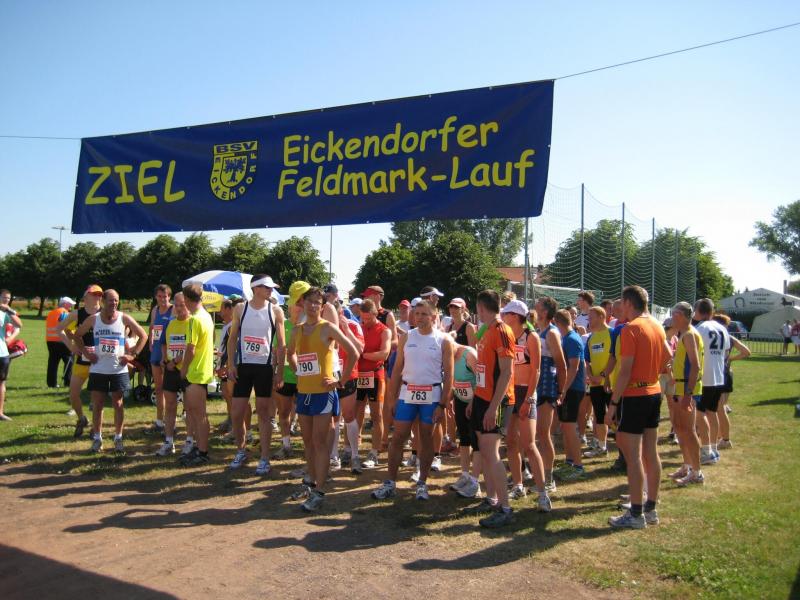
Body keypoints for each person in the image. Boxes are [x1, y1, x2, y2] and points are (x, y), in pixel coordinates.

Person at [371, 299, 453, 502]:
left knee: (426, 438)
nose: (419, 317)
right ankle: (390, 483)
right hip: (407, 393)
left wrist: (443, 404)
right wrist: (391, 399)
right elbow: (397, 369)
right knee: (398, 437)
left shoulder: (443, 340)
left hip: (431, 395)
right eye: (417, 314)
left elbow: (450, 375)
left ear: (434, 317)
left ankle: (422, 483)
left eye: (424, 314)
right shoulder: (407, 337)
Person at [287, 287, 359, 511]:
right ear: (303, 303)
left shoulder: (327, 327)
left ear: (322, 306)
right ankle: (311, 482)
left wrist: (340, 381)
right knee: (307, 441)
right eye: (309, 301)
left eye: (317, 303)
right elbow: (290, 353)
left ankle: (319, 491)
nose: (313, 306)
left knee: (319, 442)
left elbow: (353, 352)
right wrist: (298, 370)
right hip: (304, 392)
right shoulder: (297, 330)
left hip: (324, 393)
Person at [605, 286, 669, 529]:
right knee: (650, 452)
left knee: (632, 456)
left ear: (629, 303)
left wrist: (613, 403)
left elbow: (625, 370)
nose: (619, 307)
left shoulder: (631, 329)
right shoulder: (657, 325)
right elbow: (668, 356)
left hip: (635, 396)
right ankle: (650, 508)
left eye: (621, 303)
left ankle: (636, 513)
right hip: (653, 392)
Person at [73, 289, 147, 453]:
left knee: (118, 404)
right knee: (97, 405)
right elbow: (77, 336)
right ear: (103, 301)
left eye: (116, 300)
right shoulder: (94, 319)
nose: (114, 303)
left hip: (118, 369)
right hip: (98, 368)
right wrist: (86, 354)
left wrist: (132, 355)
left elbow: (143, 335)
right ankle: (97, 439)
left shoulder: (124, 318)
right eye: (111, 300)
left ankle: (118, 438)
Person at [227, 275, 285, 475]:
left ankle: (265, 457)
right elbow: (232, 338)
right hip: (244, 366)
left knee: (263, 412)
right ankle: (241, 450)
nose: (271, 291)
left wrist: (279, 371)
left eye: (271, 288)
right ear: (256, 288)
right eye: (267, 287)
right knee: (237, 412)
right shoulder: (240, 308)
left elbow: (281, 344)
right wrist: (231, 364)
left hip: (264, 367)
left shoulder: (275, 310)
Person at [469, 290, 516, 528]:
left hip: (496, 401)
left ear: (481, 307)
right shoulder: (486, 330)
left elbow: (506, 372)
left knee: (491, 452)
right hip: (482, 398)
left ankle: (505, 508)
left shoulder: (502, 331)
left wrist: (492, 407)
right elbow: (483, 368)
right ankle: (492, 498)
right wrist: (474, 400)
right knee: (485, 452)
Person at [501, 299, 551, 510]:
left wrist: (529, 399)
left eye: (506, 313)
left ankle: (543, 493)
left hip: (526, 392)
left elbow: (536, 370)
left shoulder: (531, 337)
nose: (503, 316)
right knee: (511, 442)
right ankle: (518, 484)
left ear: (515, 316)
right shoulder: (506, 336)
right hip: (510, 393)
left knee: (529, 444)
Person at [57, 285, 103, 437]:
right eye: (94, 294)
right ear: (85, 297)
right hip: (82, 360)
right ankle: (82, 419)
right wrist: (71, 347)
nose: (97, 297)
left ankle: (95, 428)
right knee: (73, 393)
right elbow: (60, 329)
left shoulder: (105, 313)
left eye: (99, 294)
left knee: (96, 398)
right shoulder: (77, 314)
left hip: (99, 361)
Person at [178, 283, 216, 466]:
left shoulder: (194, 319)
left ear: (186, 299)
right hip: (202, 370)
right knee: (195, 413)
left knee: (198, 414)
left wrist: (183, 369)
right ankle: (199, 447)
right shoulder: (206, 316)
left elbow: (191, 349)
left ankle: (202, 452)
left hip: (196, 372)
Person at [668, 302, 705, 486]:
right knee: (679, 428)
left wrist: (688, 394)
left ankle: (697, 473)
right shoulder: (684, 334)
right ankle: (687, 465)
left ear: (681, 315)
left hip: (687, 389)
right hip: (680, 387)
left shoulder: (689, 334)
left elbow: (695, 366)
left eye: (674, 314)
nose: (671, 318)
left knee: (689, 431)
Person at [533, 296, 567, 492]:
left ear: (545, 312)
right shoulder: (540, 331)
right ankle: (539, 474)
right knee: (537, 433)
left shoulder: (552, 333)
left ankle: (549, 479)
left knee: (544, 433)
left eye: (537, 307)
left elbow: (561, 365)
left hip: (547, 387)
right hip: (538, 385)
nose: (534, 309)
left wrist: (560, 391)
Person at [273, 282, 310, 461]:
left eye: (301, 304)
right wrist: (276, 373)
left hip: (305, 377)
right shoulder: (284, 325)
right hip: (286, 376)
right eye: (296, 304)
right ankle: (286, 445)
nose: (299, 308)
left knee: (305, 415)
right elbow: (276, 351)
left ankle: (308, 447)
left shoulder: (311, 326)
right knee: (284, 412)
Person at [354, 298, 391, 469]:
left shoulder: (384, 331)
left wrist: (363, 355)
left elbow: (384, 354)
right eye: (362, 318)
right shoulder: (359, 327)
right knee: (356, 412)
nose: (365, 321)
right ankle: (352, 448)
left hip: (375, 376)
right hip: (358, 375)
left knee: (377, 415)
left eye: (368, 318)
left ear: (375, 314)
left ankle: (374, 452)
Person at [693, 299, 730, 467]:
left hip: (705, 377)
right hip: (719, 376)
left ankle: (707, 450)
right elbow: (726, 353)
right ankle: (713, 448)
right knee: (712, 412)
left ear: (698, 311)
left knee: (700, 414)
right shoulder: (722, 328)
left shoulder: (700, 328)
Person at [553, 309, 588, 480]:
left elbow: (574, 367)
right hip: (569, 388)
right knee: (566, 427)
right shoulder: (567, 338)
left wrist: (564, 389)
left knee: (569, 427)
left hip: (572, 389)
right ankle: (569, 461)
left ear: (557, 322)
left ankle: (578, 466)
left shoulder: (572, 339)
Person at [155, 292, 190, 456]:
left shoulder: (193, 323)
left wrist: (175, 361)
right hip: (171, 370)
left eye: (182, 305)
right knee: (170, 405)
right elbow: (163, 343)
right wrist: (164, 358)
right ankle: (169, 442)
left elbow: (191, 348)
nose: (179, 308)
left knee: (189, 407)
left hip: (187, 370)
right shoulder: (171, 323)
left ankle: (189, 440)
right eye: (176, 305)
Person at [333, 299, 364, 472]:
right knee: (332, 418)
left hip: (348, 375)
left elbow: (359, 350)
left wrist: (346, 330)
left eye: (335, 312)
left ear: (341, 312)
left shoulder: (353, 325)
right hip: (329, 377)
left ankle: (354, 455)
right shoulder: (322, 326)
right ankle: (333, 457)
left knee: (349, 415)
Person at [712, 313, 750, 448]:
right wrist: (731, 359)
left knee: (719, 408)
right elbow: (746, 352)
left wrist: (729, 359)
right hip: (727, 373)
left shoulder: (715, 336)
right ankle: (720, 437)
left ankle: (724, 439)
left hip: (719, 374)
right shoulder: (729, 337)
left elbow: (747, 352)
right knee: (720, 407)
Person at [583, 306, 613, 458]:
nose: (589, 320)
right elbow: (587, 361)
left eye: (591, 317)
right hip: (595, 384)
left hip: (611, 383)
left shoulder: (612, 334)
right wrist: (590, 375)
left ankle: (625, 452)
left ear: (602, 317)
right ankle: (602, 447)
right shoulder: (591, 338)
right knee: (599, 416)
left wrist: (602, 375)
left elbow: (615, 358)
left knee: (615, 417)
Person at [145, 284, 173, 437]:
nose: (163, 299)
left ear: (169, 297)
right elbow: (152, 327)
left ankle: (171, 420)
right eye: (160, 296)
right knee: (158, 388)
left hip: (168, 353)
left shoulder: (173, 309)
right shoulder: (155, 310)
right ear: (156, 297)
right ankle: (159, 420)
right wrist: (150, 342)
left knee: (170, 389)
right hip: (155, 351)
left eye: (165, 296)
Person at [0, 289, 23, 421]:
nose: (6, 300)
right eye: (4, 297)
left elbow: (19, 324)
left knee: (1, 383)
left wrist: (9, 310)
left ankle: (0, 412)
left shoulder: (5, 313)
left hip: (2, 353)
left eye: (8, 298)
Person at [45, 296, 75, 388]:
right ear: (65, 304)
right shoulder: (65, 313)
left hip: (50, 340)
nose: (71, 306)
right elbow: (66, 327)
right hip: (62, 340)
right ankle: (68, 381)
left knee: (53, 362)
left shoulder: (51, 313)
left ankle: (51, 383)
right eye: (70, 304)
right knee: (69, 361)